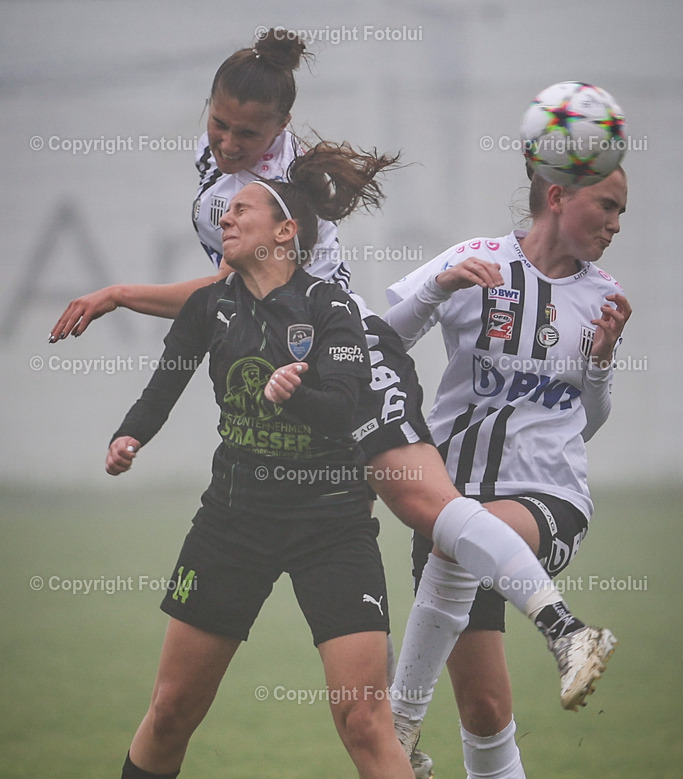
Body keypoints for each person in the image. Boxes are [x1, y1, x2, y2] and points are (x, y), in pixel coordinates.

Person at [49, 30, 618, 729]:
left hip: (346, 346)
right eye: (219, 123)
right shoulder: (231, 167)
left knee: (427, 508)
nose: (228, 141)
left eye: (247, 132)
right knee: (431, 522)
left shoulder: (252, 196)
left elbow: (217, 293)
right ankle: (410, 730)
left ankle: (565, 631)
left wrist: (119, 293)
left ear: (279, 130)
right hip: (311, 354)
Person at [77, 141, 452, 779]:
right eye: (224, 209)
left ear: (285, 232)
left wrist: (299, 389)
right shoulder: (211, 306)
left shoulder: (332, 309)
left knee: (362, 715)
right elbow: (166, 383)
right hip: (233, 522)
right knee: (172, 710)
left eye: (240, 209)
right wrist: (128, 435)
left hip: (331, 524)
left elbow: (348, 409)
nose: (225, 216)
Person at [341, 161, 631, 779]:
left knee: (454, 542)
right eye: (605, 205)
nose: (614, 222)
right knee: (484, 710)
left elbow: (586, 420)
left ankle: (407, 727)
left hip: (547, 500)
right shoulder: (474, 257)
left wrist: (600, 363)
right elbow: (378, 349)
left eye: (620, 211)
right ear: (556, 196)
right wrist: (436, 292)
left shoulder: (600, 297)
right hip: (453, 511)